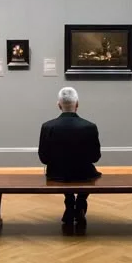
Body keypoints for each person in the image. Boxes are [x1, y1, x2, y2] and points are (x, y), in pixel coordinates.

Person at [38, 87, 102, 226]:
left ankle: (69, 201)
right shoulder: (90, 127)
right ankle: (81, 202)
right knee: (91, 174)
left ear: (59, 105)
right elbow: (95, 157)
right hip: (83, 174)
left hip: (56, 173)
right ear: (77, 104)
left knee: (64, 172)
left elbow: (44, 158)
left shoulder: (47, 127)